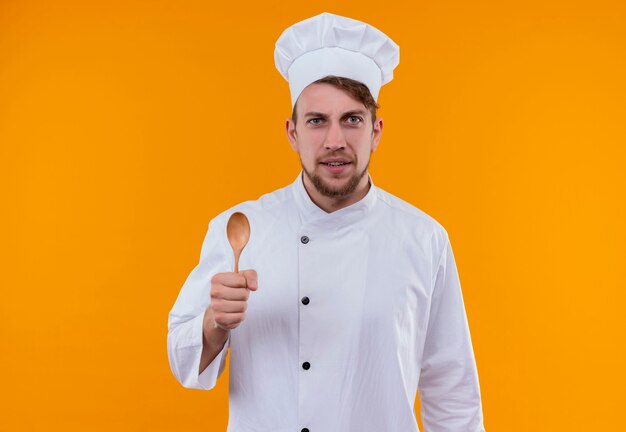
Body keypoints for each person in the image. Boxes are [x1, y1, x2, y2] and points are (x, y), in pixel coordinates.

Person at [167, 12, 486, 432]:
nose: (334, 140)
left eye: (352, 119)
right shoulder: (240, 227)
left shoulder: (424, 239)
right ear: (292, 133)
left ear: (376, 131)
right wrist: (214, 323)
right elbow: (182, 360)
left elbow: (452, 392)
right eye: (316, 121)